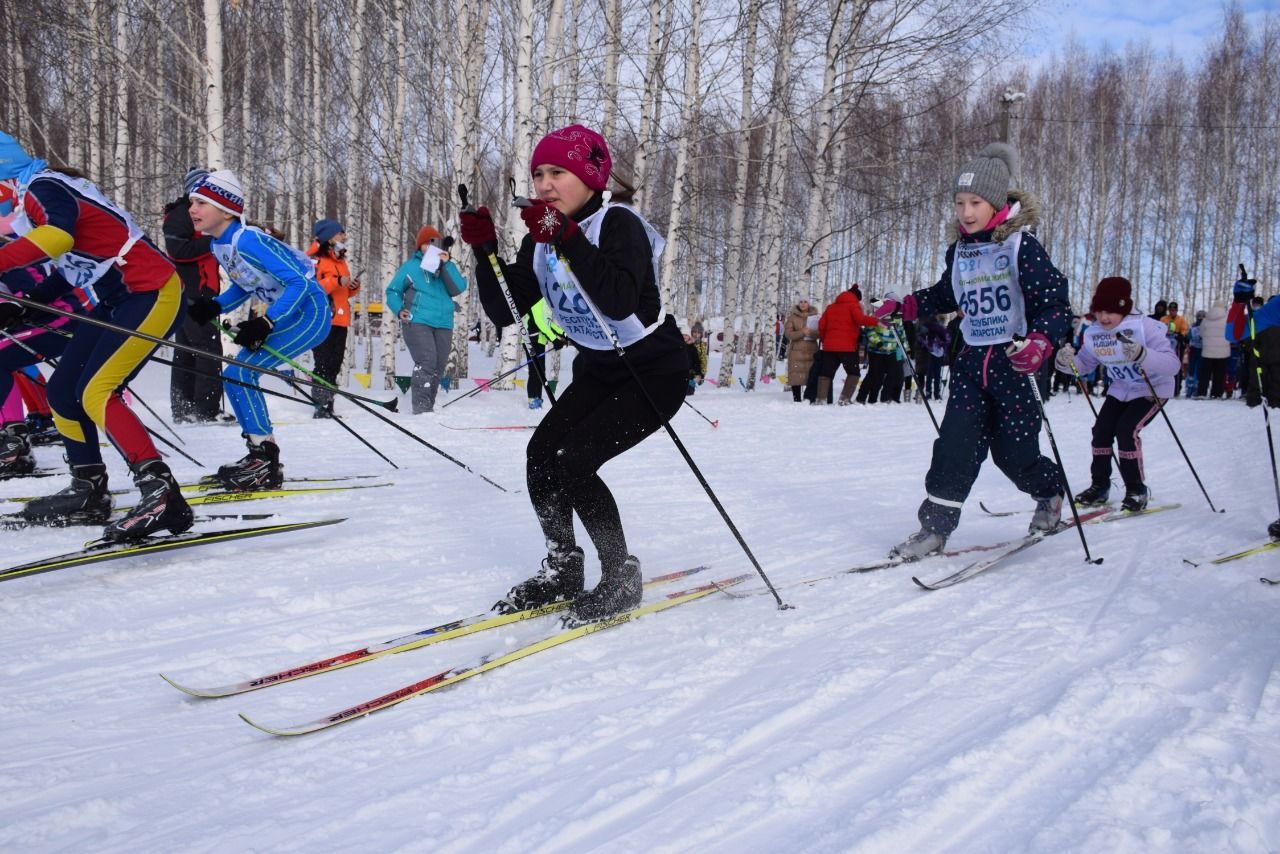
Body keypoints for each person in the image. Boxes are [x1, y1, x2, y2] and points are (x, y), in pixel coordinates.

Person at [458, 124, 687, 622]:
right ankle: (563, 567)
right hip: (601, 368)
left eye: (557, 172)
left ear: (590, 175)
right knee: (542, 453)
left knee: (576, 461)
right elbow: (506, 310)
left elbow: (619, 300)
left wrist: (567, 237)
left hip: (652, 370)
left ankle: (620, 573)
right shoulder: (539, 237)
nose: (543, 183)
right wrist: (485, 252)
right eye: (538, 173)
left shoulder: (617, 223)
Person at [0, 131, 192, 539]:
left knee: (97, 392)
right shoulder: (42, 189)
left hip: (150, 288)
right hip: (117, 298)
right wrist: (29, 303)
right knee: (63, 392)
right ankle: (88, 487)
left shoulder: (41, 186)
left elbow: (58, 238)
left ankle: (161, 494)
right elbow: (73, 268)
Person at [886, 142, 1071, 559]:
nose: (966, 212)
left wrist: (1041, 343)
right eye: (958, 202)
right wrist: (906, 305)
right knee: (954, 446)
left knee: (1015, 455)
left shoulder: (1022, 247)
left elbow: (1054, 303)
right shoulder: (961, 251)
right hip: (971, 364)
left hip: (1016, 366)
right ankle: (933, 529)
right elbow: (945, 295)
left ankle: (1049, 493)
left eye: (975, 202)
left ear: (998, 203)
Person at [183, 169, 332, 489]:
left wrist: (267, 321)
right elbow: (246, 284)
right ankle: (258, 453)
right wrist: (216, 305)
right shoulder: (217, 246)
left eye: (200, 203)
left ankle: (265, 461)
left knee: (243, 372)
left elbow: (299, 282)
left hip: (311, 313)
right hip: (288, 314)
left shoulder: (248, 240)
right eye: (191, 202)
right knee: (234, 373)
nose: (191, 209)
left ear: (225, 209)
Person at [1058, 277, 1180, 511]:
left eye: (1111, 312)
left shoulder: (1145, 327)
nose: (1104, 317)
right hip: (1122, 388)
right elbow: (1084, 364)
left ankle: (1136, 489)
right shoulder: (1095, 332)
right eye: (1100, 311)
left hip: (1151, 389)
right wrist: (1066, 362)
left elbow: (1172, 366)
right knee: (1101, 430)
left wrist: (1143, 354)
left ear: (1124, 308)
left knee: (1127, 430)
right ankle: (1100, 486)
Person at [0, 264, 93, 478]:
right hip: (25, 324)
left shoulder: (8, 255)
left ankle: (14, 441)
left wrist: (13, 308)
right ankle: (14, 439)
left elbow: (32, 290)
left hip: (60, 318)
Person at [164, 166, 224, 423]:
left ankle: (186, 407)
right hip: (192, 292)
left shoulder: (196, 214)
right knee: (206, 349)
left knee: (188, 349)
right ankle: (204, 410)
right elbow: (178, 249)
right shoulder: (181, 213)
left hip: (198, 290)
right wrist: (214, 241)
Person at [384, 225, 466, 414]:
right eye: (427, 243)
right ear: (419, 246)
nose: (431, 247)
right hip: (418, 320)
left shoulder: (447, 265)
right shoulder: (411, 267)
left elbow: (458, 288)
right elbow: (393, 291)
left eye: (435, 243)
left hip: (444, 322)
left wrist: (446, 265)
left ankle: (428, 406)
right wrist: (399, 309)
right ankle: (420, 408)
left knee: (438, 365)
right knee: (427, 361)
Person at [306, 218, 361, 418]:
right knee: (323, 362)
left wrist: (352, 286)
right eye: (340, 233)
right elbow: (309, 287)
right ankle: (320, 404)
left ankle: (328, 403)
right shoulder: (313, 258)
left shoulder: (340, 259)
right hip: (321, 318)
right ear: (328, 237)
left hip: (340, 318)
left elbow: (343, 293)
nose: (344, 236)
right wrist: (336, 280)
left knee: (334, 363)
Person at [816, 283, 877, 405]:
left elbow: (821, 326)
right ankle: (844, 399)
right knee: (853, 372)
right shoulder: (853, 306)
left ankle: (821, 400)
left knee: (826, 373)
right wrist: (877, 321)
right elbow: (860, 320)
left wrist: (825, 339)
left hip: (829, 347)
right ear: (856, 297)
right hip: (847, 347)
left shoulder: (830, 307)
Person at [856, 297, 906, 404]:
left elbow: (902, 333)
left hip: (891, 351)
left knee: (892, 374)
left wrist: (906, 348)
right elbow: (869, 330)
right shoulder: (876, 316)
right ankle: (862, 397)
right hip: (876, 351)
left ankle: (885, 397)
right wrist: (878, 342)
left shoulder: (896, 318)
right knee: (874, 374)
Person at [783, 296, 819, 402]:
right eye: (801, 302)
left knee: (811, 375)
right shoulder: (792, 317)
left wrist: (811, 332)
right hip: (797, 351)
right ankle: (797, 399)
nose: (803, 304)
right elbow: (788, 334)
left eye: (805, 302)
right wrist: (802, 332)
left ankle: (809, 398)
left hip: (812, 350)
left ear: (809, 304)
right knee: (796, 375)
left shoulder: (815, 317)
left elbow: (820, 334)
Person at [1198, 303, 1229, 398]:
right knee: (1219, 373)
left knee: (1205, 373)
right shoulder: (1227, 318)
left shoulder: (1206, 318)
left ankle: (1201, 392)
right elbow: (1230, 332)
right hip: (1222, 350)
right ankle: (1216, 393)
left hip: (1207, 350)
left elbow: (1201, 333)